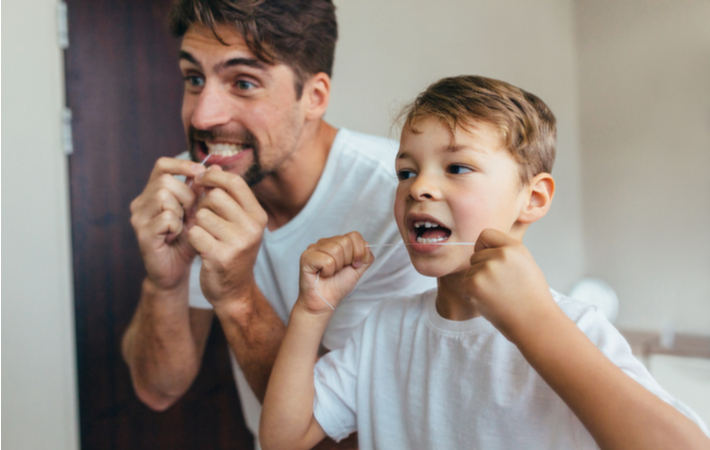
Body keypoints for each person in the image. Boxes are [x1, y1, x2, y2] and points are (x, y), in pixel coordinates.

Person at [260, 75, 710, 450]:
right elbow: (284, 439)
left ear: (532, 198)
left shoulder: (573, 326)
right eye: (406, 172)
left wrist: (534, 323)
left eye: (456, 168)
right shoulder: (384, 330)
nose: (418, 188)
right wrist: (311, 312)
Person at [121, 1, 435, 448]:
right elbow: (157, 388)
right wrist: (164, 282)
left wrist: (237, 298)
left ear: (315, 97)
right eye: (194, 79)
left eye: (244, 82)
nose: (202, 116)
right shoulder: (197, 193)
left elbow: (353, 439)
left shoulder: (401, 202)